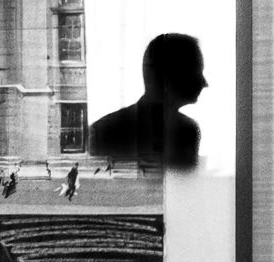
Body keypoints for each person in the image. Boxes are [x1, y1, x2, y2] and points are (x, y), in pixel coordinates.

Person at [88, 33, 207, 169]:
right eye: (197, 72)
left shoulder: (102, 130)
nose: (204, 83)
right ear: (173, 75)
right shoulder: (187, 131)